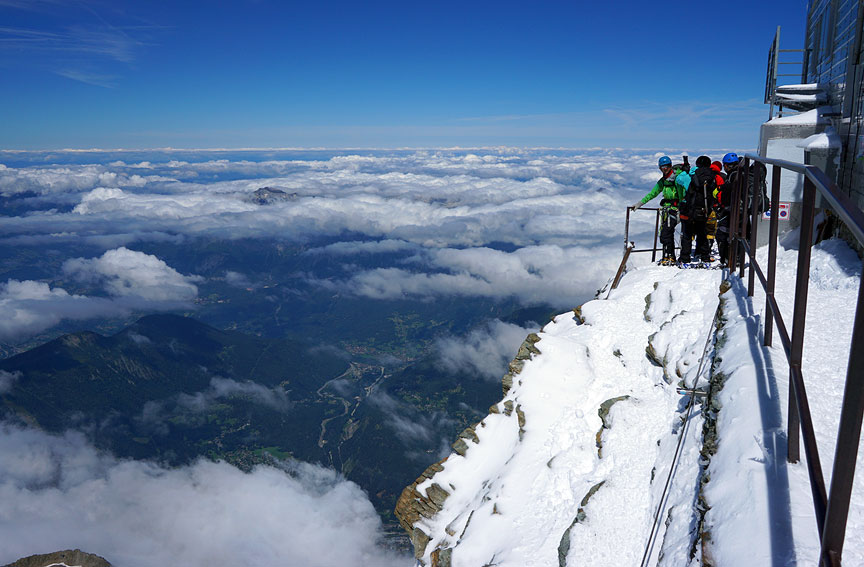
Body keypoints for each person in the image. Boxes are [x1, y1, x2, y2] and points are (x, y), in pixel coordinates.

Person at [631, 156, 690, 265]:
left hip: (676, 209)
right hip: (667, 209)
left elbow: (683, 194)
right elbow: (653, 193)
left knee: (666, 233)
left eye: (666, 166)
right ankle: (668, 256)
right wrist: (640, 203)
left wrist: (682, 207)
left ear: (670, 166)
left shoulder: (677, 179)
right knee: (665, 233)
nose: (664, 169)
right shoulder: (663, 181)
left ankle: (670, 257)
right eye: (662, 167)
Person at [679, 155, 717, 266]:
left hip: (691, 209)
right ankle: (705, 257)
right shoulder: (712, 176)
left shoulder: (693, 175)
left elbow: (682, 183)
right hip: (705, 209)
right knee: (702, 233)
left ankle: (685, 259)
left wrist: (684, 172)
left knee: (687, 234)